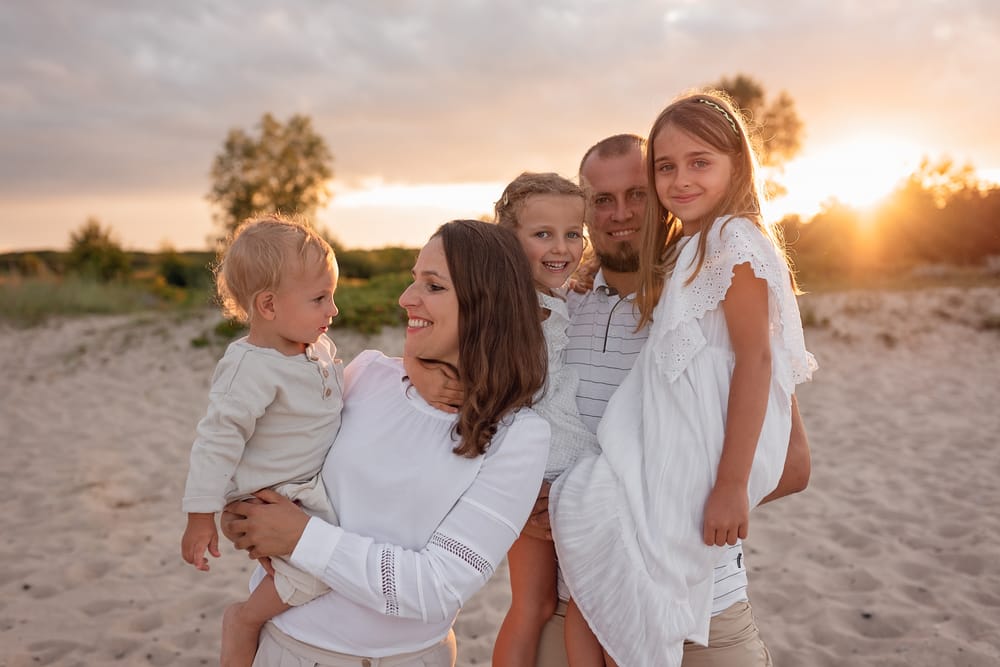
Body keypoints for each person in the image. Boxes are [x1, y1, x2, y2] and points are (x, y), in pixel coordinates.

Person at [551, 93, 818, 666]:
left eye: (636, 194)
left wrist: (691, 501)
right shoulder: (562, 310)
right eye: (602, 199)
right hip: (578, 590)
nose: (620, 212)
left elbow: (791, 457)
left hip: (708, 606)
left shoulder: (721, 258)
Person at [221, 220, 552, 667]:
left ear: (486, 306)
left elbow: (436, 588)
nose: (406, 298)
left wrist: (303, 538)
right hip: (285, 647)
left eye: (432, 285)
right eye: (414, 278)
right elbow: (276, 459)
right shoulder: (366, 373)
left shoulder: (520, 435)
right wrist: (241, 515)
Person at [180, 216, 345, 666]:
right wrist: (200, 517)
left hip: (306, 484)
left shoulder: (317, 347)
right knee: (318, 572)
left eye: (332, 296)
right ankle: (246, 619)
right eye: (320, 299)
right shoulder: (250, 368)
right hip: (275, 492)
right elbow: (216, 442)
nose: (333, 310)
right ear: (268, 305)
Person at [491, 173, 599, 667]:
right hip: (548, 480)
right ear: (509, 240)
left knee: (535, 605)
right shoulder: (515, 313)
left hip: (544, 477)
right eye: (542, 234)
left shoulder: (556, 301)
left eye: (573, 233)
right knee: (577, 605)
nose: (562, 247)